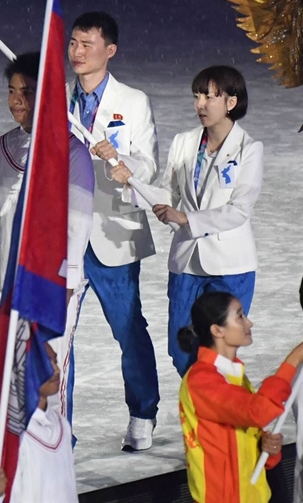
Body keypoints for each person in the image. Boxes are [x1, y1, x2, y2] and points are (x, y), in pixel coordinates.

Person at [0, 52, 94, 424]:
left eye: (27, 92)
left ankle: (44, 462)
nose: (16, 99)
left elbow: (76, 230)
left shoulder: (73, 155)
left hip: (46, 290)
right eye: (12, 90)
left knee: (43, 384)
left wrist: (63, 294)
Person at [113, 66, 263, 376]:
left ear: (231, 102)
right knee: (182, 347)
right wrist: (131, 181)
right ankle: (199, 417)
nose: (200, 105)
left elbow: (239, 210)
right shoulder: (184, 142)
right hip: (186, 263)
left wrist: (187, 218)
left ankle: (220, 422)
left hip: (230, 266)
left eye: (210, 97)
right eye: (197, 96)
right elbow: (167, 196)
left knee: (222, 354)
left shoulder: (249, 149)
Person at [67, 11, 160, 450]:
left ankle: (142, 411)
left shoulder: (133, 101)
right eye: (73, 43)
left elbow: (149, 163)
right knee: (56, 332)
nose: (78, 52)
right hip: (65, 235)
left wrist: (126, 167)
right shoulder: (56, 101)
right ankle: (57, 424)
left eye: (88, 44)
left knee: (127, 328)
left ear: (110, 51)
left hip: (113, 232)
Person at [177, 291, 303, 503]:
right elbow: (257, 412)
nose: (249, 323)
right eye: (240, 316)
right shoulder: (201, 381)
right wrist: (296, 356)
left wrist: (266, 448)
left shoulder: (234, 376)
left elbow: (241, 435)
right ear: (217, 330)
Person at [12, 343, 80, 502]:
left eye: (55, 361)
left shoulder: (62, 425)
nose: (57, 370)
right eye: (48, 362)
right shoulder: (14, 436)